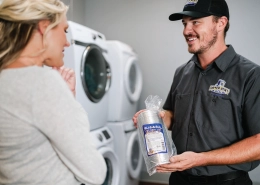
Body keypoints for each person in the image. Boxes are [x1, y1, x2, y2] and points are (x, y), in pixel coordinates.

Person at [133, 0, 260, 184]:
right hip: (180, 178)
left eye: (196, 22)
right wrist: (156, 118)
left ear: (220, 23)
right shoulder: (182, 72)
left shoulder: (251, 75)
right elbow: (173, 116)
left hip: (227, 181)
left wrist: (201, 159)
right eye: (184, 23)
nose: (186, 31)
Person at [0, 0, 107, 185]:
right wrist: (70, 103)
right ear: (44, 28)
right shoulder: (42, 82)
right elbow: (95, 173)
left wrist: (66, 99)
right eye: (64, 30)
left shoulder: (6, 78)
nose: (67, 43)